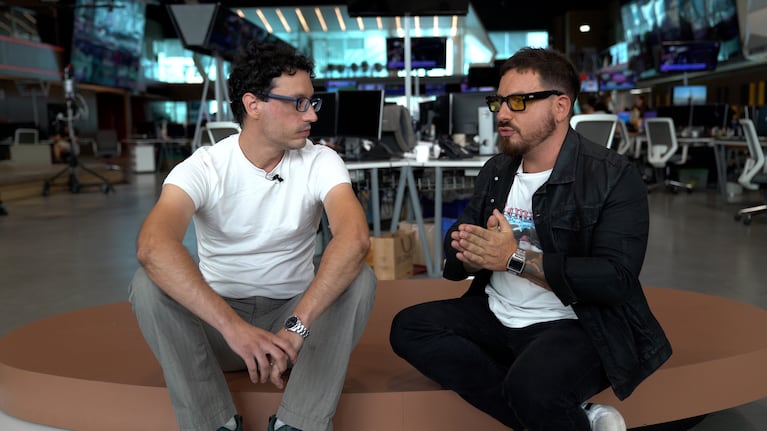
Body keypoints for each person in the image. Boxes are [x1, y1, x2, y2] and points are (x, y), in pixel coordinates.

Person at [390, 47, 672, 431]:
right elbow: (458, 258)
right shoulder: (497, 170)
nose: (502, 114)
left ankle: (545, 403)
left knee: (532, 387)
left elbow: (615, 279)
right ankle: (579, 417)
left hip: (577, 323)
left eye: (519, 102)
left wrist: (513, 257)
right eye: (499, 102)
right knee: (409, 327)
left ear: (560, 107)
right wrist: (471, 254)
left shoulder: (613, 176)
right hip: (497, 312)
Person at [129, 40, 376, 431]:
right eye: (298, 102)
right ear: (253, 104)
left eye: (312, 102)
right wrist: (234, 329)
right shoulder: (205, 166)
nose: (311, 114)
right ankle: (214, 423)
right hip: (220, 329)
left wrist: (296, 329)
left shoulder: (321, 160)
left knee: (359, 277)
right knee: (148, 283)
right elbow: (153, 246)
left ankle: (299, 423)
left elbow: (354, 239)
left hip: (295, 326)